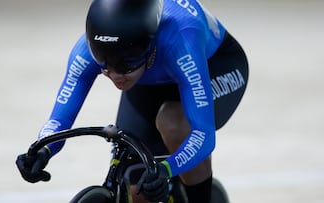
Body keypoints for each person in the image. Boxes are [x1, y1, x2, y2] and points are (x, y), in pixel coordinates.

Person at [16, 0, 249, 202]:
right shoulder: (93, 49)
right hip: (149, 76)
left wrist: (167, 169)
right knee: (135, 180)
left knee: (173, 122)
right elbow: (59, 120)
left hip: (215, 65)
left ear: (148, 45)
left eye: (126, 62)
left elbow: (202, 135)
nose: (115, 75)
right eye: (104, 63)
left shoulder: (181, 37)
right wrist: (43, 149)